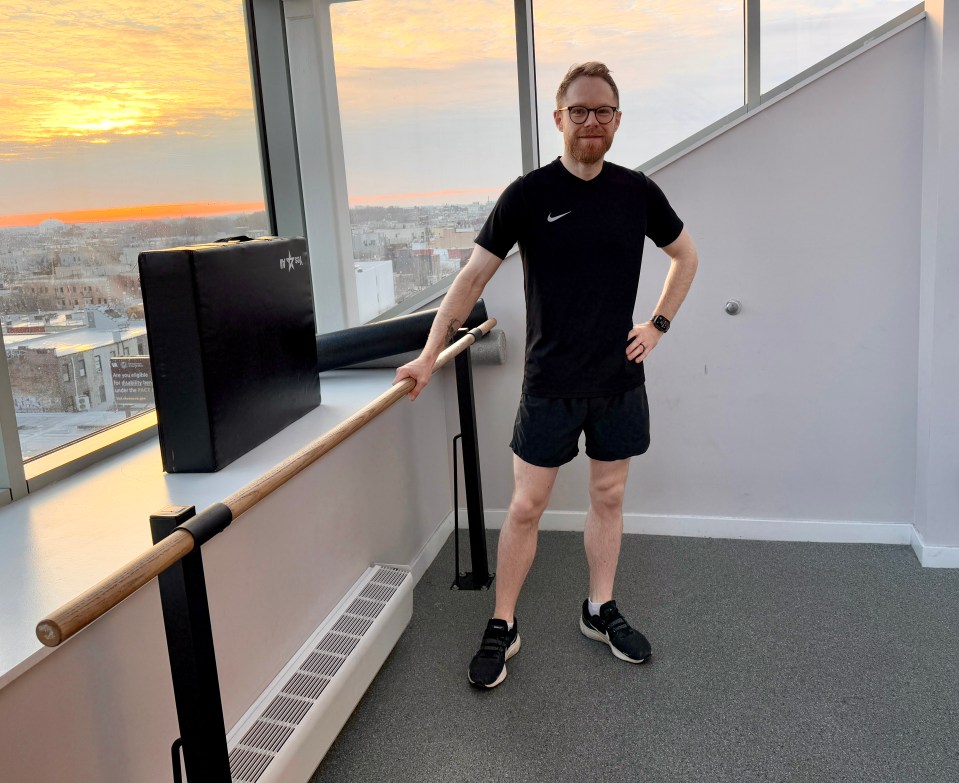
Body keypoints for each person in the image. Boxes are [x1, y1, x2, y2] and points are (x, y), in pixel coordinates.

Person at [394, 61, 699, 689]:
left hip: (617, 381)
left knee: (608, 497)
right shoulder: (528, 195)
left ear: (617, 120)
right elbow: (470, 279)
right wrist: (428, 355)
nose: (593, 121)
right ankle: (503, 623)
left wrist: (658, 325)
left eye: (604, 111)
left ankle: (599, 609)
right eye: (581, 111)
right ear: (558, 118)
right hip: (550, 385)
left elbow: (685, 256)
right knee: (527, 506)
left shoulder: (637, 191)